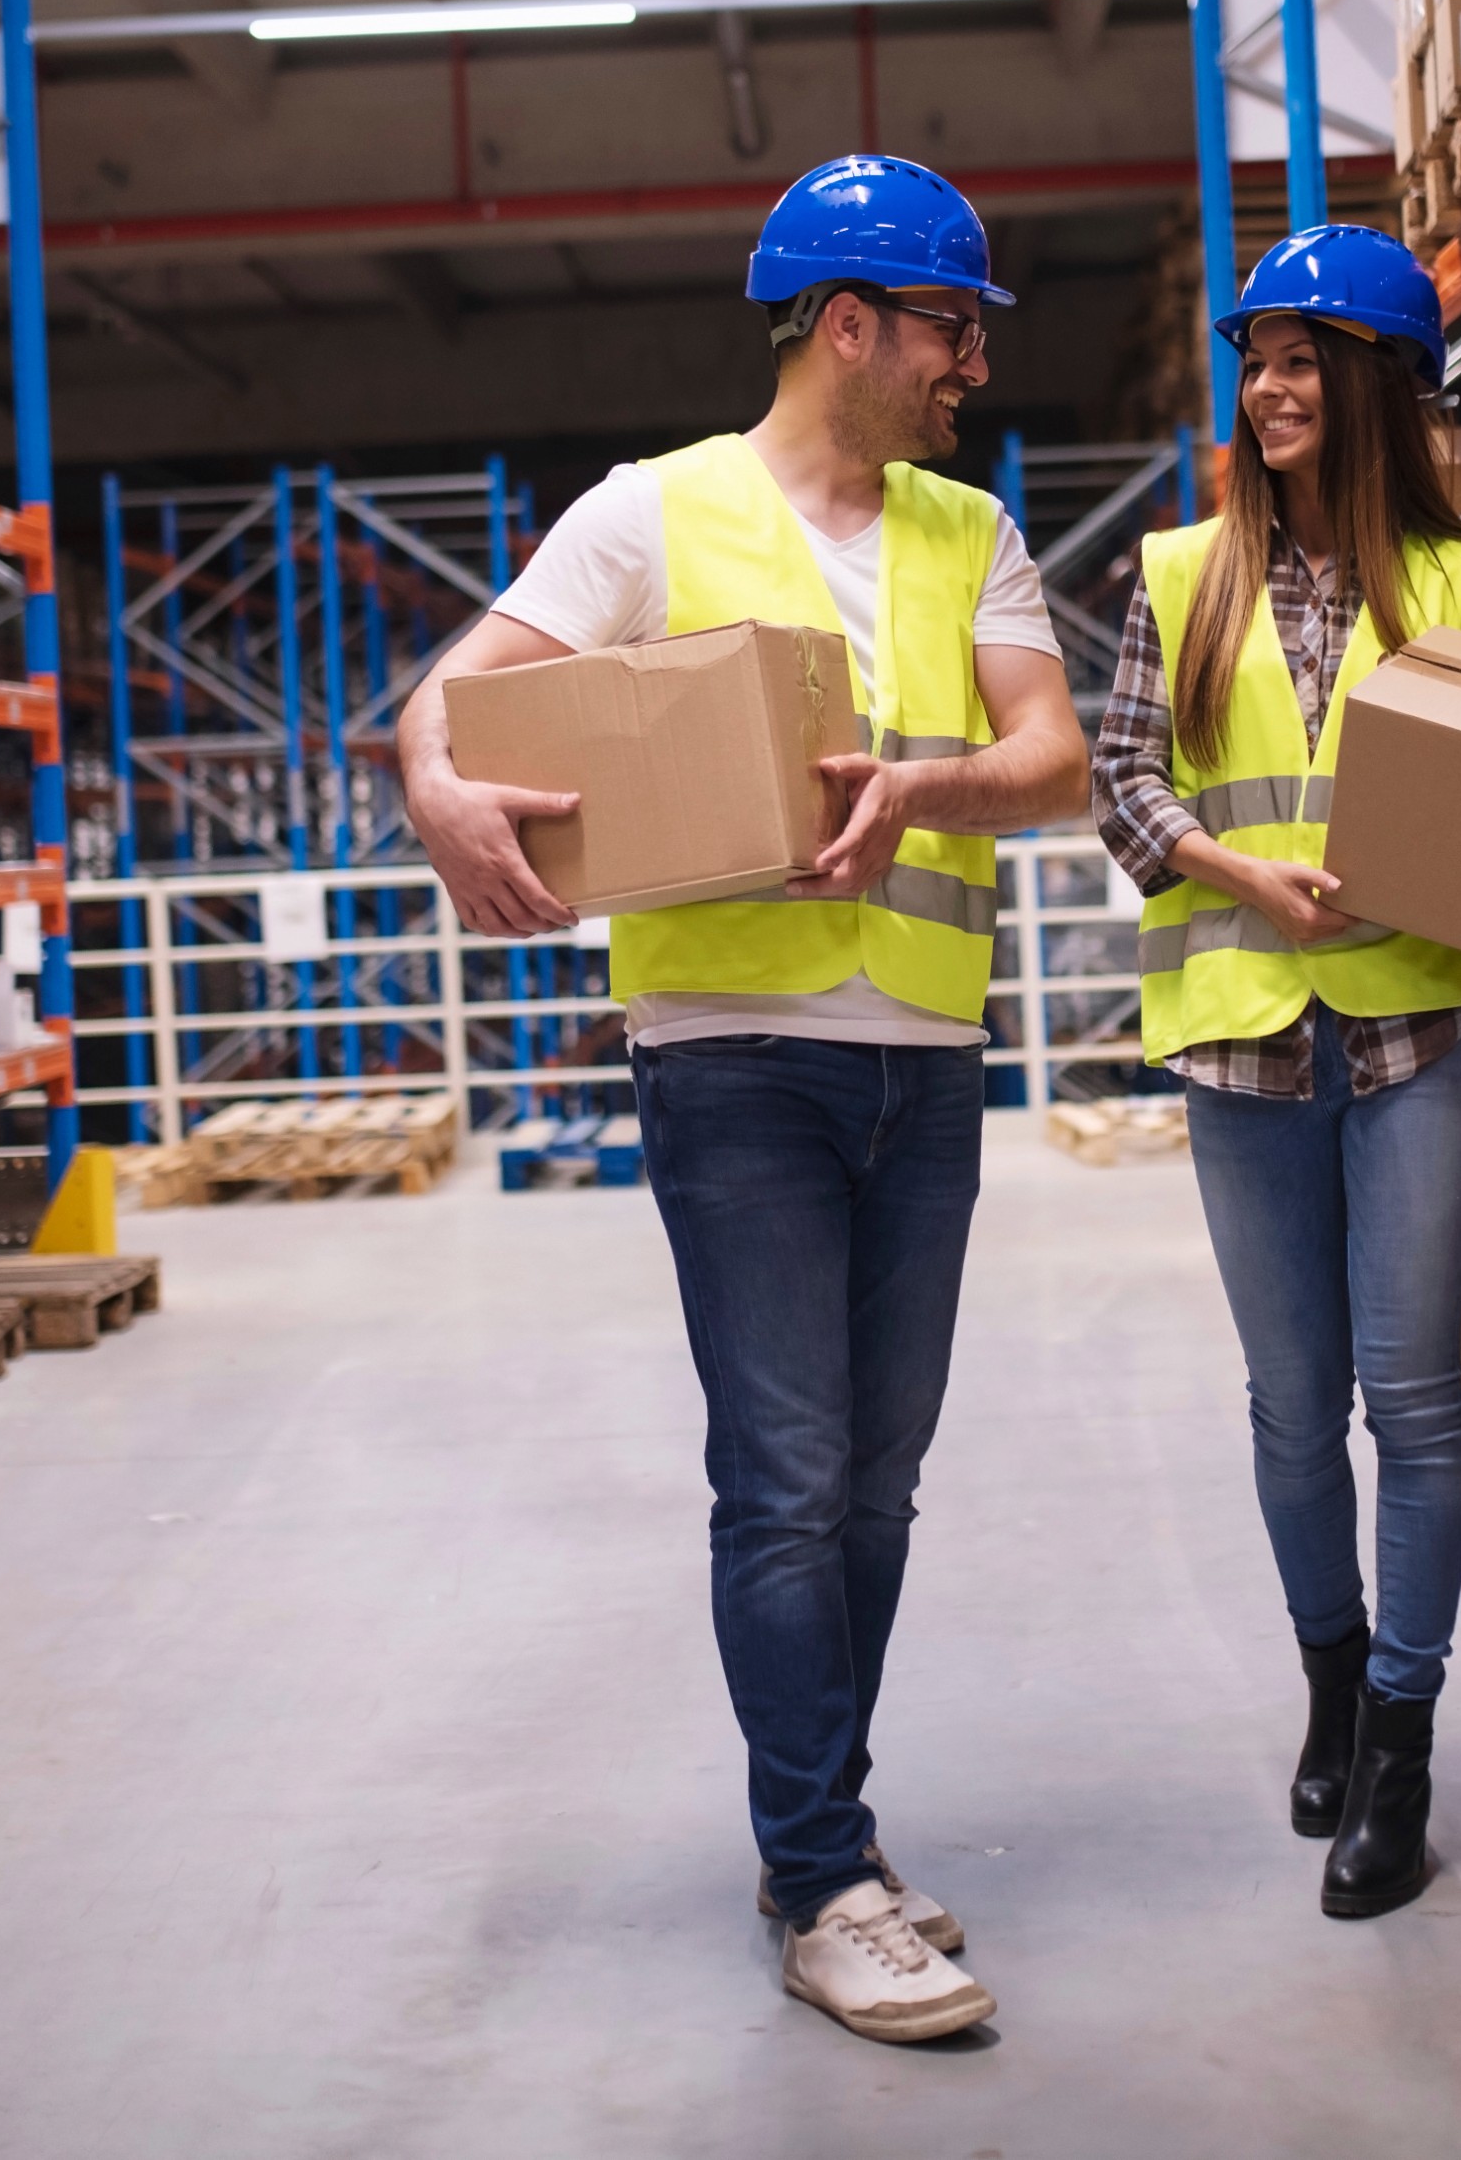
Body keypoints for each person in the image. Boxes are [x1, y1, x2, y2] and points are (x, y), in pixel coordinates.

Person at [398, 155, 1088, 2045]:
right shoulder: (652, 515)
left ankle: (828, 1844)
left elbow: (1050, 758)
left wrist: (923, 796)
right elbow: (450, 710)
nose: (972, 364)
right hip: (733, 1066)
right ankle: (819, 1876)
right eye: (950, 328)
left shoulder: (972, 533)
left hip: (923, 1065)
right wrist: (440, 796)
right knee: (784, 1481)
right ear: (850, 327)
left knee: (876, 1486)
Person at [1090, 224, 1461, 1919]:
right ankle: (1333, 1687)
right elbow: (1124, 781)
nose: (1267, 389)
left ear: (1381, 389)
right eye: (1254, 361)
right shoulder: (1177, 572)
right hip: (1240, 1043)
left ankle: (1405, 1739)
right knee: (1293, 1408)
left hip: (1419, 1038)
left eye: (1300, 361)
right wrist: (1232, 869)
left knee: (1415, 1405)